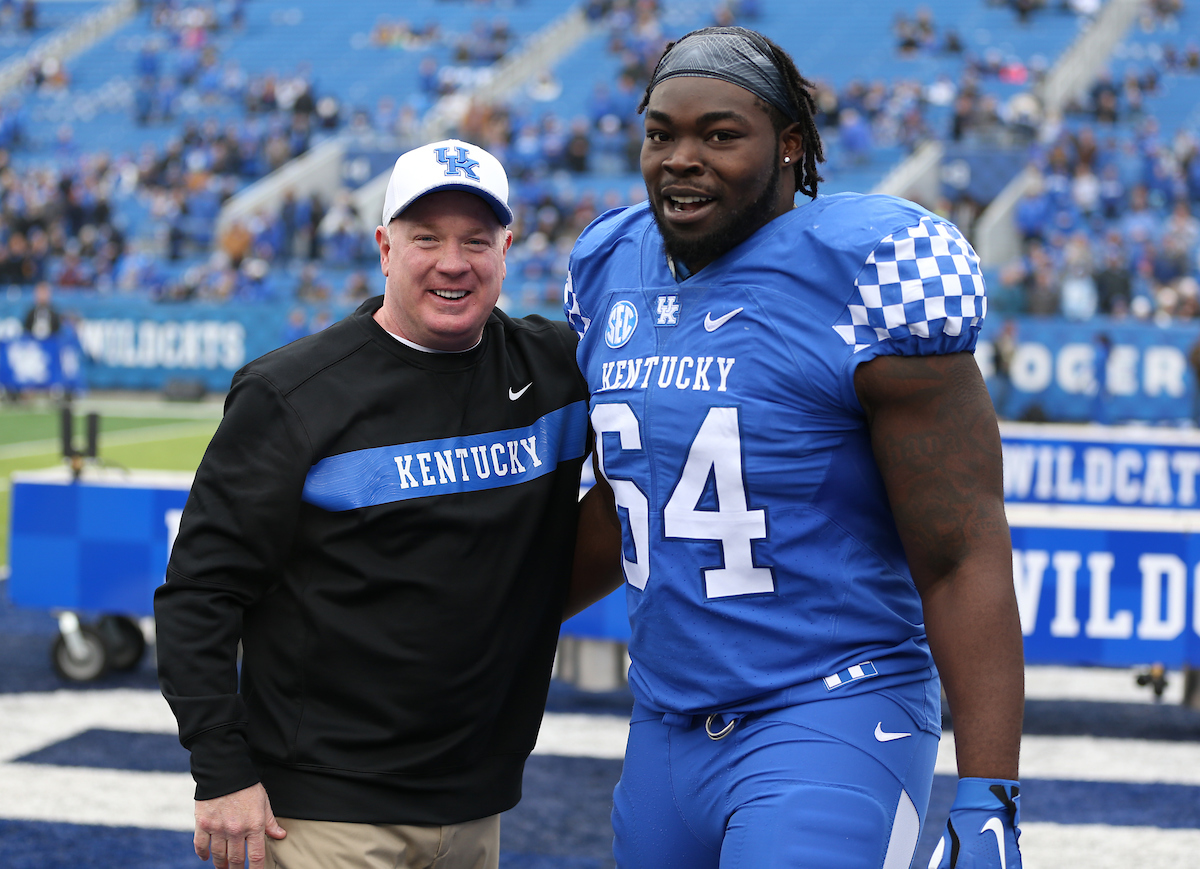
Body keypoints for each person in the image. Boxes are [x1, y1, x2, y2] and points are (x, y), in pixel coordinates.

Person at [563, 26, 1025, 869]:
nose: (681, 158)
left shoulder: (868, 274)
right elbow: (632, 505)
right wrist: (464, 623)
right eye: (661, 132)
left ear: (791, 147)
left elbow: (960, 551)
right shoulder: (608, 264)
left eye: (720, 134)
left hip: (831, 711)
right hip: (663, 725)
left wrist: (990, 795)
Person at [155, 138, 596, 869]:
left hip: (476, 804)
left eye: (475, 239)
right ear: (384, 247)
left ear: (507, 248)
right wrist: (222, 770)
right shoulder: (292, 393)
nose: (452, 261)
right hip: (324, 814)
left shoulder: (556, 369)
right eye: (427, 237)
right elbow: (201, 591)